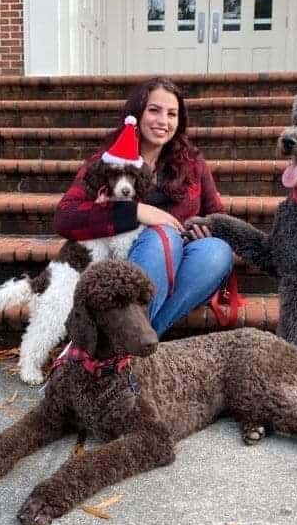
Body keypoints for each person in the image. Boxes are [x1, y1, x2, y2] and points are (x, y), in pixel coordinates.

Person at [54, 77, 234, 336]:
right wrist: (136, 212)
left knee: (217, 251)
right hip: (129, 260)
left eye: (171, 114)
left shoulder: (193, 163)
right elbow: (65, 217)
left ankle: (134, 340)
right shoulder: (109, 161)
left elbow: (217, 214)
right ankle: (133, 340)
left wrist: (206, 229)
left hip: (183, 261)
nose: (163, 121)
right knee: (161, 237)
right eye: (154, 110)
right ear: (137, 113)